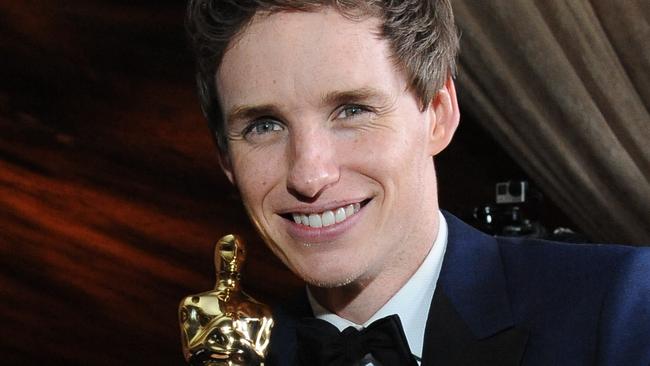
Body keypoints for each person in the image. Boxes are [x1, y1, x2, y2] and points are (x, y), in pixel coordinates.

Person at [185, 0, 650, 364]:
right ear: (227, 160)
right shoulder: (239, 356)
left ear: (439, 115)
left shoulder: (617, 310)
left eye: (352, 110)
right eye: (264, 125)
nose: (309, 174)